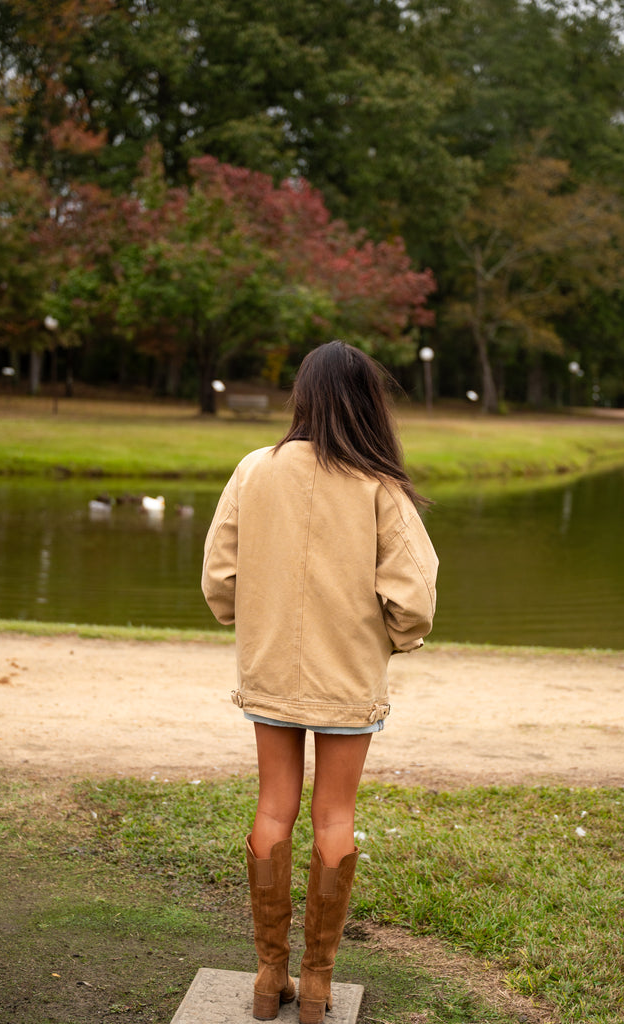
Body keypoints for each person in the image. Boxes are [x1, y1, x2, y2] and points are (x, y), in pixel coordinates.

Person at [201, 340, 438, 1023]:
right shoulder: (378, 487)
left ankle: (265, 975)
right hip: (347, 678)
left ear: (301, 397)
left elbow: (219, 576)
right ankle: (315, 984)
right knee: (335, 816)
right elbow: (413, 595)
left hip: (271, 668)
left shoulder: (253, 470)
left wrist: (243, 624)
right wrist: (394, 641)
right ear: (369, 402)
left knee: (273, 805)